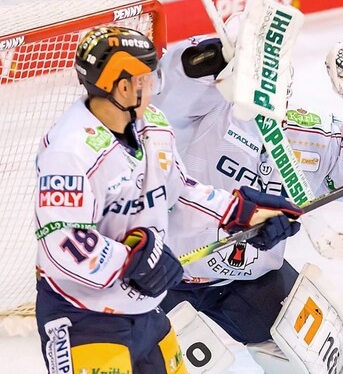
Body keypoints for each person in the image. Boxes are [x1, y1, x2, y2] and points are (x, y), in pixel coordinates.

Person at [150, 4, 343, 372]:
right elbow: (169, 90)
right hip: (162, 274)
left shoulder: (306, 135)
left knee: (317, 361)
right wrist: (209, 58)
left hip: (250, 279)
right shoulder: (191, 118)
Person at [34, 26, 302, 374]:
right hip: (83, 316)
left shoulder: (154, 126)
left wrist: (241, 212)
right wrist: (130, 262)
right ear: (123, 86)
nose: (157, 83)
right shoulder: (70, 151)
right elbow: (62, 240)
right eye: (148, 76)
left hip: (144, 309)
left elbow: (181, 192)